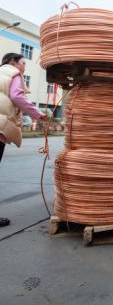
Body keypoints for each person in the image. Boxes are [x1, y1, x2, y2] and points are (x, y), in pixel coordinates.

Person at [0, 52, 49, 227]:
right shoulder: (13, 74)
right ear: (13, 62)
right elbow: (18, 97)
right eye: (23, 63)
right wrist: (39, 114)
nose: (24, 66)